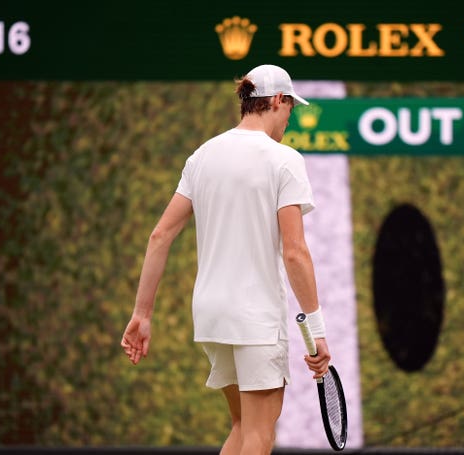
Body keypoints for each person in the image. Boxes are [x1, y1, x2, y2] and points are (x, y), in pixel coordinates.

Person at [121, 64, 331, 454]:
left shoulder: (202, 157)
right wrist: (316, 329)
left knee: (241, 426)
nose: (290, 118)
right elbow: (295, 251)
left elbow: (160, 235)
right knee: (259, 434)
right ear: (277, 102)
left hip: (212, 317)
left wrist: (142, 313)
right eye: (290, 109)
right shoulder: (284, 160)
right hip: (256, 320)